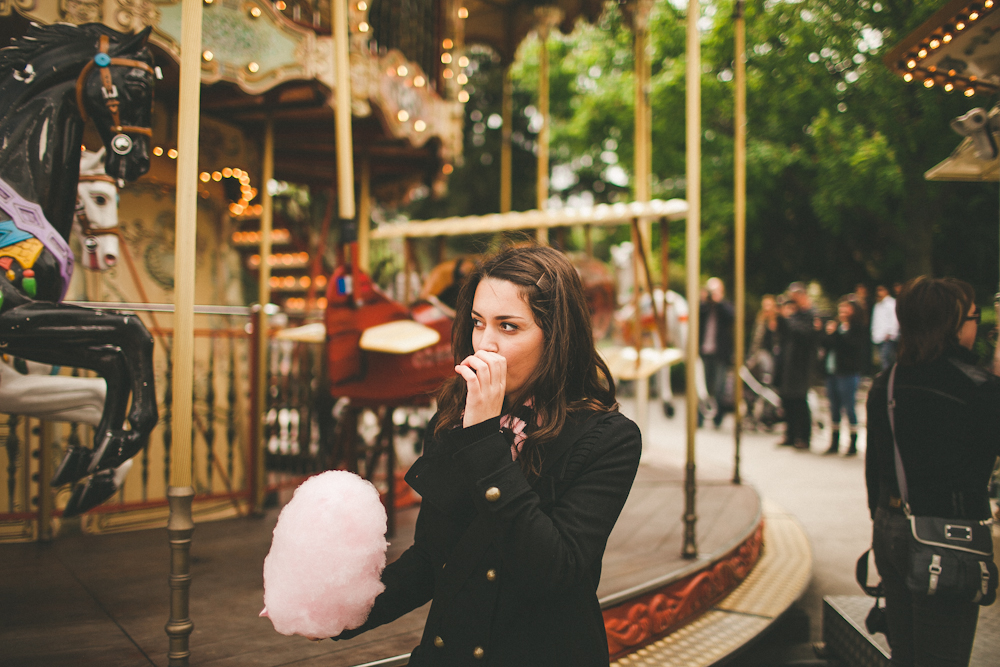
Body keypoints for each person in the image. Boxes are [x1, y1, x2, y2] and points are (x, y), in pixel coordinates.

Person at [331, 245, 642, 666]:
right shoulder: (453, 417)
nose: (485, 345)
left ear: (556, 336)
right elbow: (432, 556)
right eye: (478, 324)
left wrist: (481, 437)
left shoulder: (607, 437)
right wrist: (346, 614)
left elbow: (553, 571)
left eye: (509, 327)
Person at [866, 276, 1000, 666]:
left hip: (890, 526)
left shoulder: (886, 383)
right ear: (954, 325)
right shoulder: (975, 389)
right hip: (948, 541)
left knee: (905, 654)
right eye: (976, 318)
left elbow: (875, 467)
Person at [820, 297, 867, 455]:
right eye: (841, 308)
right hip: (832, 371)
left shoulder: (857, 328)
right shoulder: (838, 327)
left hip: (847, 372)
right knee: (833, 407)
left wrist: (837, 334)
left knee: (849, 406)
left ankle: (853, 442)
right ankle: (834, 441)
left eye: (846, 308)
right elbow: (827, 345)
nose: (842, 312)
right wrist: (826, 333)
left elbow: (851, 347)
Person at [777, 282, 818, 449]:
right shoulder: (793, 315)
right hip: (789, 362)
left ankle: (803, 437)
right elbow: (783, 332)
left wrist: (788, 319)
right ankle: (791, 433)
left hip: (803, 364)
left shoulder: (811, 315)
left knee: (800, 400)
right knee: (787, 399)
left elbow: (805, 334)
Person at [698, 277, 734, 428]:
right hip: (704, 352)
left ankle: (717, 419)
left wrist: (719, 301)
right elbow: (695, 316)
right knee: (701, 387)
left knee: (719, 388)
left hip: (720, 354)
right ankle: (698, 418)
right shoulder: (704, 307)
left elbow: (732, 317)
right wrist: (704, 300)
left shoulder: (725, 306)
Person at [871, 284, 899, 371]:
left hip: (887, 337)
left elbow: (895, 319)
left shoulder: (892, 303)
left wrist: (890, 332)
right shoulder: (877, 304)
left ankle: (887, 378)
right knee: (882, 359)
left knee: (886, 358)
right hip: (878, 336)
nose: (879, 292)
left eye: (881, 290)